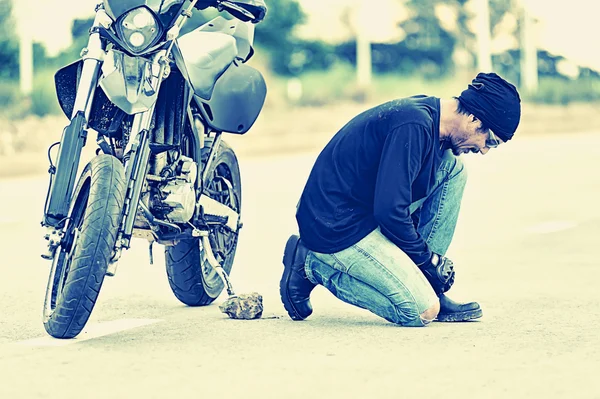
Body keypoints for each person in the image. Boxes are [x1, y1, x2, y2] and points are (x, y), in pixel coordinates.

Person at [279, 72, 521, 327]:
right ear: (473, 118)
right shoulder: (414, 125)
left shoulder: (434, 122)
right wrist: (428, 261)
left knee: (453, 169)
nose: (483, 150)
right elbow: (390, 212)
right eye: (489, 141)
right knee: (421, 310)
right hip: (335, 225)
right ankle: (312, 263)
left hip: (365, 209)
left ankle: (427, 285)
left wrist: (425, 264)